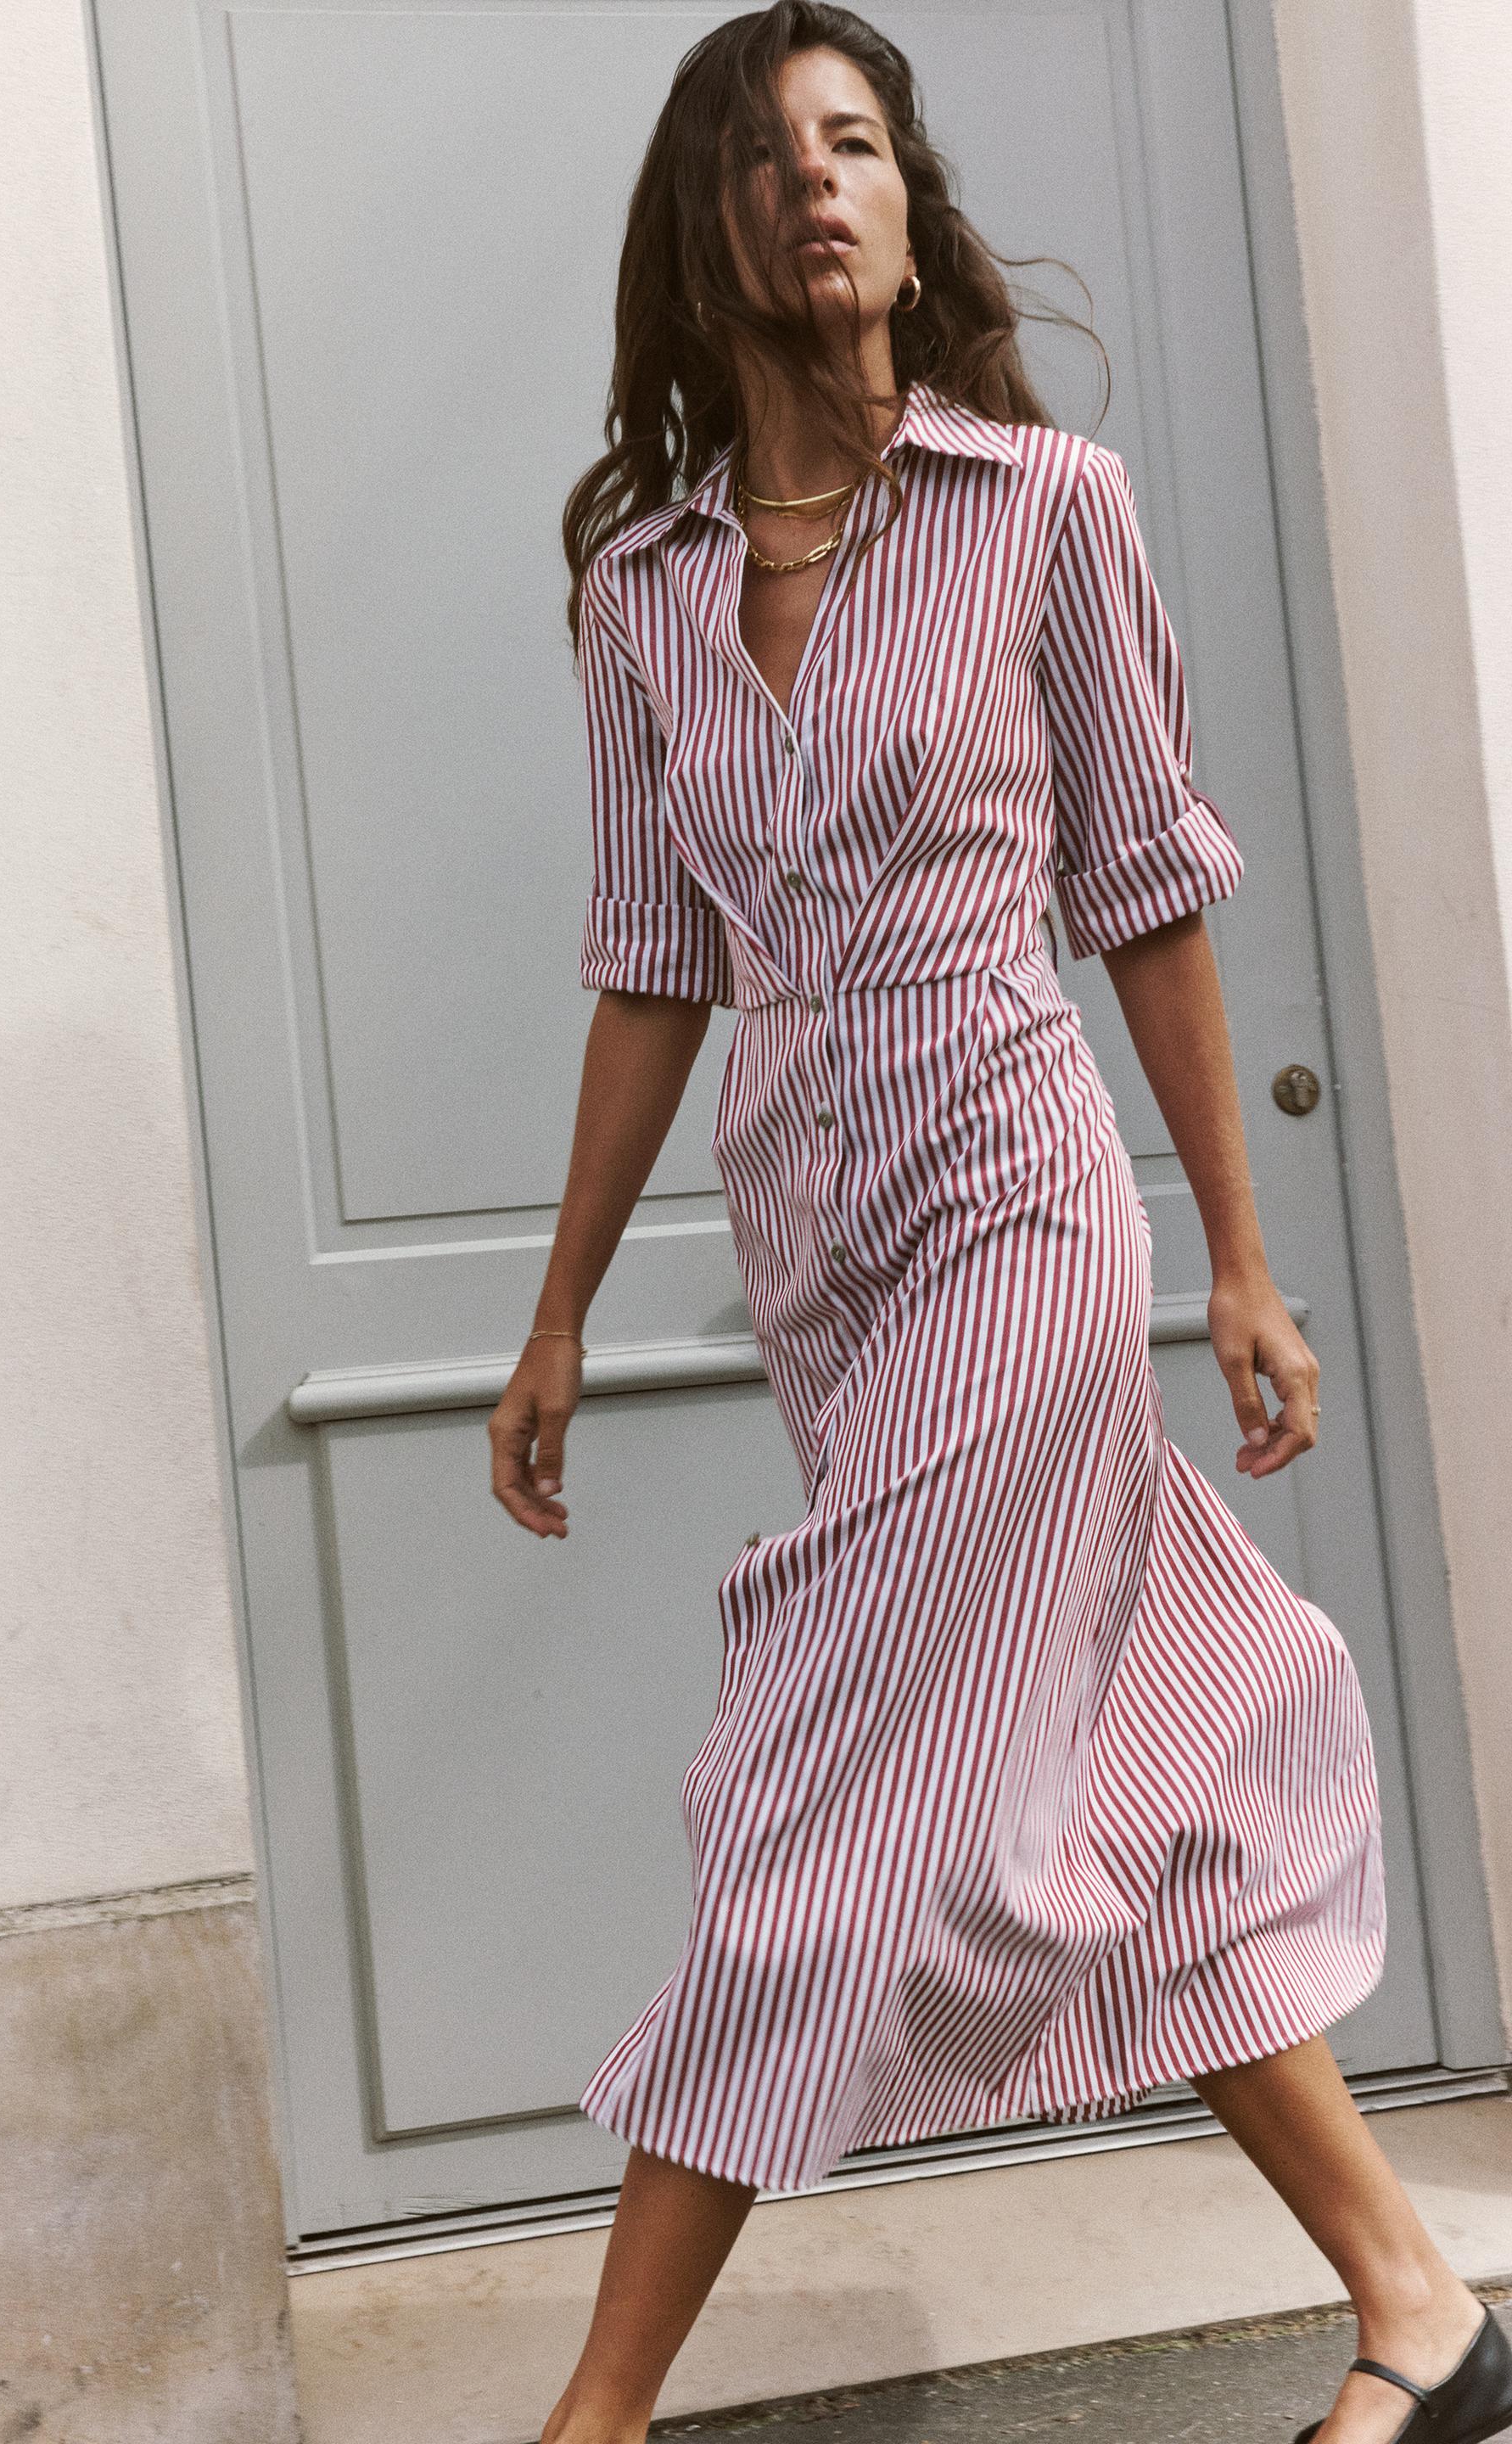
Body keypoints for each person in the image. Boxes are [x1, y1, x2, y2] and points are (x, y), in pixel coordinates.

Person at [488, 8, 1509, 2441]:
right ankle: (1423, 2305)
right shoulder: (640, 586)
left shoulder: (1053, 506)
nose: (814, 187)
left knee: (812, 1794)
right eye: (764, 157)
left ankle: (596, 2418)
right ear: (706, 228)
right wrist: (553, 1321)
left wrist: (1239, 1259)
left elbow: (1149, 896)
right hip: (824, 1250)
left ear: (908, 203)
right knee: (1105, 1789)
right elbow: (655, 966)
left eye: (854, 144)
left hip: (1021, 1207)